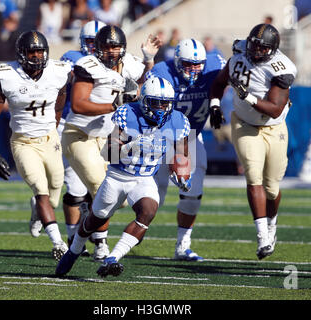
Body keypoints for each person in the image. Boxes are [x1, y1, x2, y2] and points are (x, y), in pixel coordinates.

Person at [55, 76, 191, 277]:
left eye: (166, 104)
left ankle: (112, 258)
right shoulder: (128, 114)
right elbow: (107, 153)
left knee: (148, 211)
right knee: (95, 220)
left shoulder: (178, 120)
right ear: (144, 101)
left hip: (144, 179)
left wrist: (181, 173)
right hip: (117, 176)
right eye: (156, 103)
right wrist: (130, 146)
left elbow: (182, 153)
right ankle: (74, 250)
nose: (162, 108)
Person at [60, 25, 162, 261]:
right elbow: (78, 104)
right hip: (80, 135)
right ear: (97, 48)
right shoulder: (88, 66)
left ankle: (88, 210)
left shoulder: (130, 63)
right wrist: (115, 106)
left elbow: (145, 85)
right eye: (107, 46)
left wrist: (148, 60)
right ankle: (101, 244)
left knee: (122, 199)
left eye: (116, 46)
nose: (112, 51)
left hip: (108, 137)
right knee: (100, 187)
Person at [209, 23, 297, 259]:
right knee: (253, 174)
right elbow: (219, 83)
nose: (256, 51)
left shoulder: (282, 68)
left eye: (262, 48)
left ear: (273, 49)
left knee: (272, 187)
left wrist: (246, 95)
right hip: (244, 124)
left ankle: (272, 224)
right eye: (254, 45)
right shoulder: (239, 52)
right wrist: (214, 105)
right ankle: (262, 238)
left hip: (273, 127)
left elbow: (275, 110)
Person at [0, 30, 72, 261]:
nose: (36, 56)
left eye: (40, 51)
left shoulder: (59, 72)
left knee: (54, 191)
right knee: (41, 190)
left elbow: (60, 104)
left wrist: (53, 129)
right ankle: (58, 243)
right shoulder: (6, 75)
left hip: (50, 139)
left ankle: (36, 211)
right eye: (31, 51)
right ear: (21, 54)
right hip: (23, 142)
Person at [147, 38, 225, 261]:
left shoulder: (214, 65)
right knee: (152, 199)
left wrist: (216, 103)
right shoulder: (163, 71)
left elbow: (231, 75)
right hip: (161, 137)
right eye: (188, 64)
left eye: (197, 64)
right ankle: (103, 233)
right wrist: (147, 61)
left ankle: (183, 245)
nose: (193, 69)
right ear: (177, 61)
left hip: (191, 137)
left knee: (193, 193)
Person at [59, 19, 106, 259]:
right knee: (76, 188)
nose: (94, 48)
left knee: (103, 186)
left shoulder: (115, 61)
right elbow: (64, 82)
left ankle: (100, 240)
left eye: (98, 43)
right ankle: (71, 236)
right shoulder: (72, 56)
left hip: (103, 129)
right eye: (90, 42)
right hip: (72, 126)